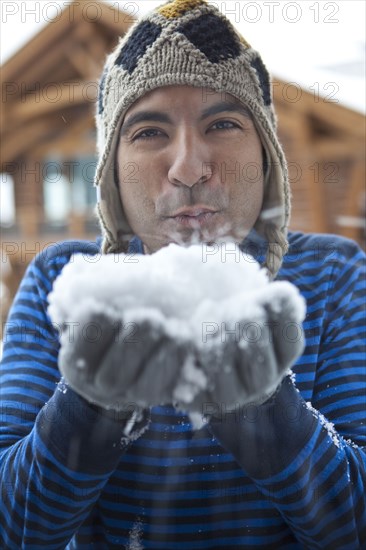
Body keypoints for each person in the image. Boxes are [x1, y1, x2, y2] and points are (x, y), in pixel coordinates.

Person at [1, 0, 365, 548]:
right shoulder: (62, 282)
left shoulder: (333, 275)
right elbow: (15, 528)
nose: (190, 167)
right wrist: (91, 406)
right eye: (148, 131)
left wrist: (264, 409)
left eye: (222, 123)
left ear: (265, 158)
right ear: (111, 179)